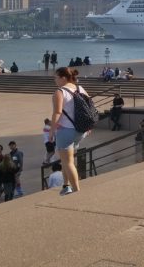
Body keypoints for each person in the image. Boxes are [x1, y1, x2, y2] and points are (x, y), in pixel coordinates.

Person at [49, 66, 89, 195]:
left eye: (56, 77)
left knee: (68, 162)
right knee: (65, 160)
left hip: (66, 131)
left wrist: (51, 131)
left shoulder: (59, 92)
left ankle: (76, 191)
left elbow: (57, 113)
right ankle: (66, 185)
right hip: (80, 130)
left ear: (63, 78)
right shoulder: (80, 88)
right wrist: (89, 126)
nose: (55, 80)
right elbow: (90, 108)